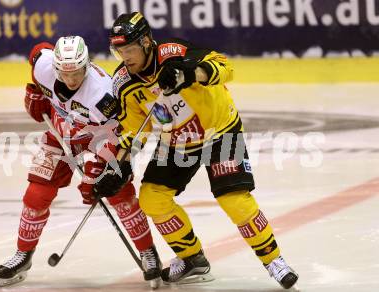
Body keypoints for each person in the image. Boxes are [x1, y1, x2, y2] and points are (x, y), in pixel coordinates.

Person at [93, 12, 299, 289]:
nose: (125, 57)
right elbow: (134, 129)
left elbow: (225, 67)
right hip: (176, 143)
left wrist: (191, 73)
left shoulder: (174, 53)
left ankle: (274, 260)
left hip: (220, 132)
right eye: (119, 52)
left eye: (129, 49)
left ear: (145, 42)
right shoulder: (124, 83)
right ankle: (192, 258)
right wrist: (119, 166)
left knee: (234, 200)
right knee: (152, 199)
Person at [0, 36, 162, 288]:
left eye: (77, 73)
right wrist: (36, 94)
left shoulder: (103, 94)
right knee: (36, 193)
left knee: (118, 192)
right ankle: (23, 255)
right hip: (61, 131)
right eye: (64, 73)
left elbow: (121, 131)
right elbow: (39, 50)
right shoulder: (44, 67)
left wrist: (100, 166)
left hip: (102, 136)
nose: (71, 80)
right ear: (55, 68)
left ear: (87, 64)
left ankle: (148, 252)